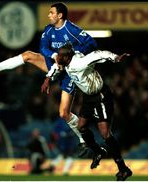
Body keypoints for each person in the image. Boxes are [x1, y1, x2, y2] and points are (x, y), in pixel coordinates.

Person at [0, 2, 98, 156]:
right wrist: (54, 55)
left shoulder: (72, 29)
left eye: (51, 12)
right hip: (55, 65)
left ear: (60, 15)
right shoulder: (48, 30)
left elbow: (91, 44)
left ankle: (83, 139)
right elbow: (43, 48)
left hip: (70, 72)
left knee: (63, 113)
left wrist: (74, 55)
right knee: (28, 55)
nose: (48, 15)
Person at [41, 43, 132, 181]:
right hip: (88, 97)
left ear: (67, 57)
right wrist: (48, 78)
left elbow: (99, 54)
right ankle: (99, 151)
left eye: (60, 55)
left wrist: (115, 58)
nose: (57, 58)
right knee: (81, 127)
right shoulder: (65, 62)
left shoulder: (80, 62)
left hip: (101, 95)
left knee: (106, 135)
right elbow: (56, 66)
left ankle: (123, 169)